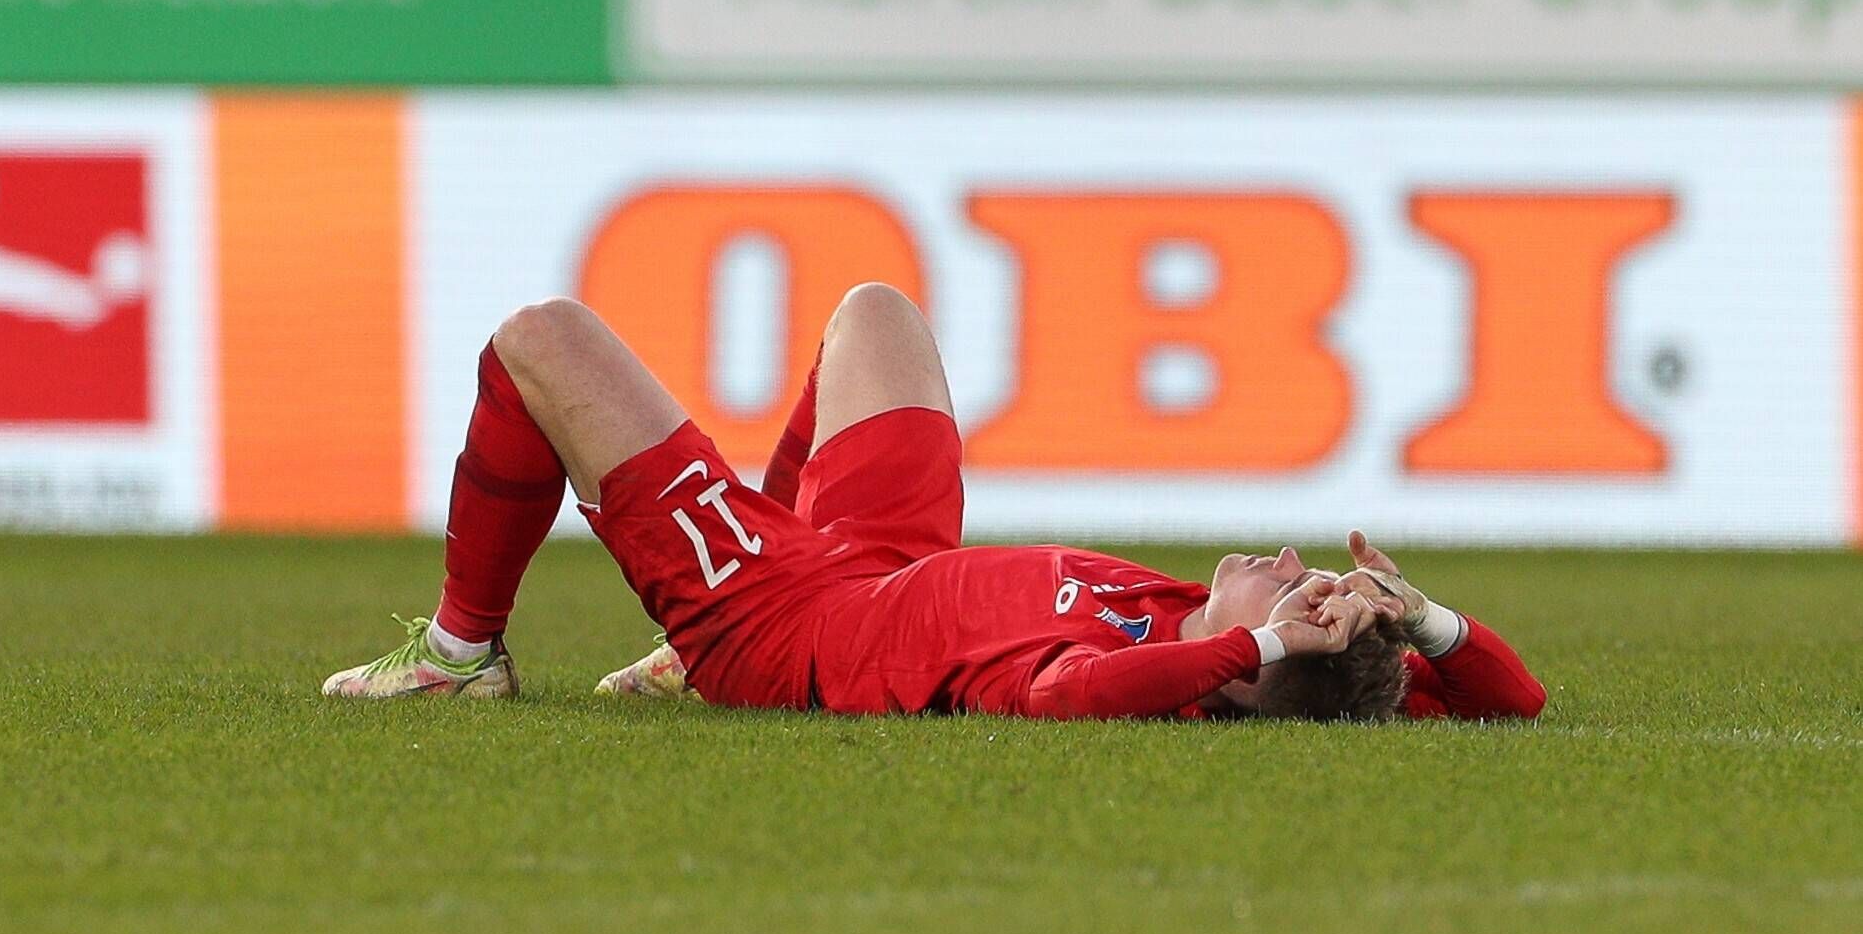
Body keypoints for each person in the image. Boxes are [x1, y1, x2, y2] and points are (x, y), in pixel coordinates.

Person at [325, 285, 1544, 724]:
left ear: (1250, 664)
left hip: (784, 620)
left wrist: (1272, 639)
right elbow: (1517, 698)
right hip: (880, 556)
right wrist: (1424, 621)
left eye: (1294, 585)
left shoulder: (1138, 676)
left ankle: (458, 651)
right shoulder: (1266, 657)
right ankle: (683, 630)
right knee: (877, 313)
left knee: (539, 343)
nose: (1288, 556)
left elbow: (1079, 691)